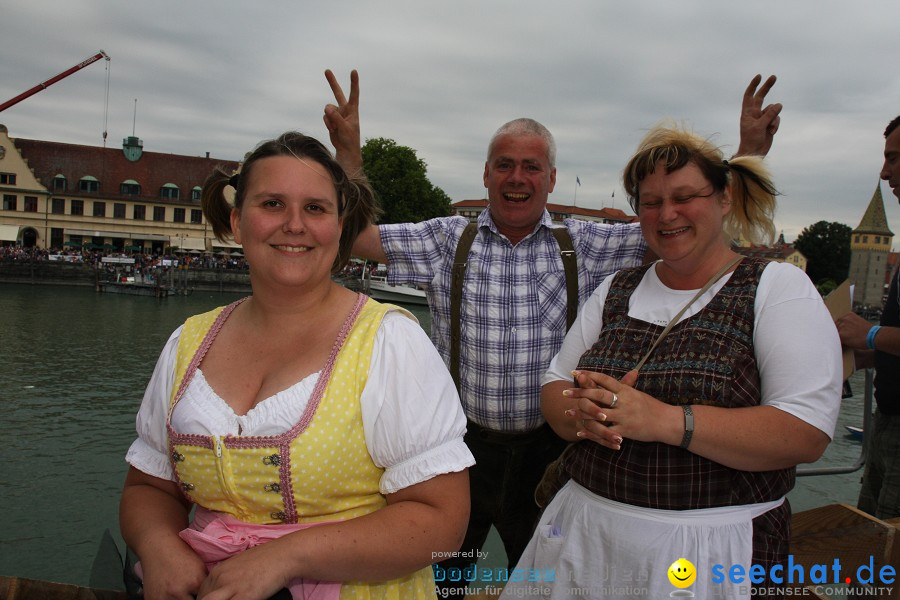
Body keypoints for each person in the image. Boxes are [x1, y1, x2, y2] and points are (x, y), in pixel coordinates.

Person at [322, 70, 783, 599]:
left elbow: (683, 221)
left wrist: (748, 153)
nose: (517, 177)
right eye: (505, 165)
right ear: (486, 175)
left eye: (531, 166)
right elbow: (354, 235)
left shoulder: (586, 243)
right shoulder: (447, 238)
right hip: (458, 448)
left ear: (551, 178)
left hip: (552, 450)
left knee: (543, 579)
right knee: (442, 577)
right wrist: (348, 153)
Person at [119, 132, 474, 600]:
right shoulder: (189, 342)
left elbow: (442, 524)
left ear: (339, 226)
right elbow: (149, 488)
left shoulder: (390, 341)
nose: (294, 225)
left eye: (315, 208)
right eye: (271, 204)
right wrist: (160, 547)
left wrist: (287, 556)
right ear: (238, 222)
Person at [498, 124, 842, 599]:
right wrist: (582, 414)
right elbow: (556, 383)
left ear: (723, 198)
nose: (667, 214)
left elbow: (804, 432)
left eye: (684, 197)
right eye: (651, 202)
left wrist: (664, 420)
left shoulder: (776, 287)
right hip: (584, 537)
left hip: (710, 552)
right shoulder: (617, 288)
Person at [835, 114, 900, 521]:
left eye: (894, 158)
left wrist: (871, 334)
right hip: (887, 425)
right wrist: (852, 358)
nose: (884, 171)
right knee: (871, 545)